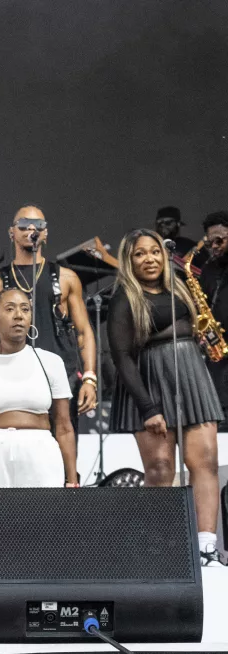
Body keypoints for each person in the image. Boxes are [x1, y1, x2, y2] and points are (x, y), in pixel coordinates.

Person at [107, 229, 222, 567]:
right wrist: (148, 407)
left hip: (190, 376)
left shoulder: (179, 288)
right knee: (159, 468)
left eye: (155, 252)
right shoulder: (124, 298)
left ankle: (206, 546)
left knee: (206, 462)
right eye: (140, 254)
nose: (150, 259)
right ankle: (159, 549)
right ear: (129, 261)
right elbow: (122, 357)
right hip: (149, 381)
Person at [0, 205, 98, 442]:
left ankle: (69, 481)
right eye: (23, 224)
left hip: (60, 378)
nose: (31, 228)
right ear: (12, 232)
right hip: (10, 378)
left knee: (63, 445)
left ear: (45, 233)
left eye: (38, 225)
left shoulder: (65, 278)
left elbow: (84, 332)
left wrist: (90, 378)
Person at [0, 288, 78, 487]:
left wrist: (72, 480)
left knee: (40, 517)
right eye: (9, 309)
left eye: (25, 309)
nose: (19, 316)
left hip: (41, 452)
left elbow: (64, 427)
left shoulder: (51, 362)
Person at [197, 210, 228, 423]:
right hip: (218, 350)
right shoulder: (208, 268)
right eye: (210, 243)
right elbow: (203, 306)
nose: (215, 247)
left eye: (220, 241)